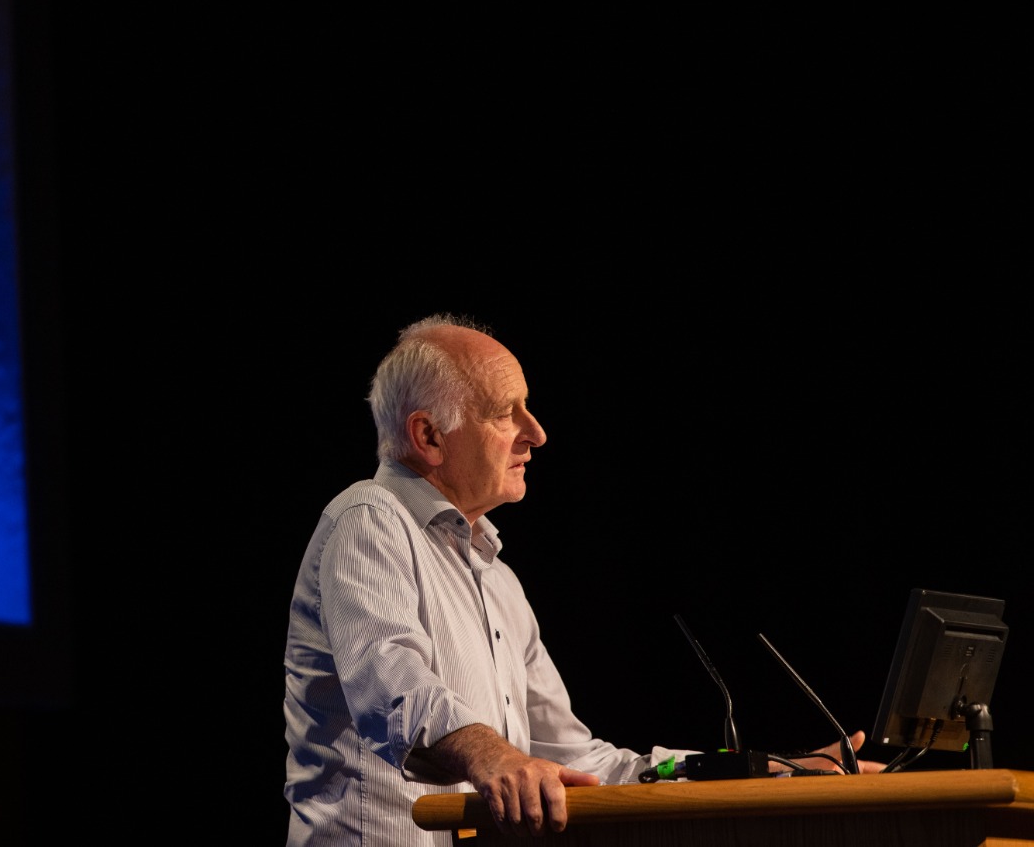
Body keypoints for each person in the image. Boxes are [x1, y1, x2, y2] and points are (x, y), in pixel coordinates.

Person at [282, 313, 878, 844]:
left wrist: (769, 773)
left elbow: (578, 761)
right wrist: (493, 757)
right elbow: (394, 689)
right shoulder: (369, 519)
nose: (536, 432)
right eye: (504, 412)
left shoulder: (498, 582)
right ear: (429, 436)